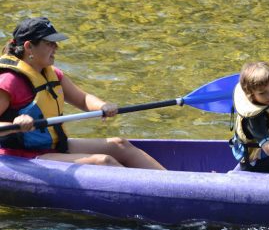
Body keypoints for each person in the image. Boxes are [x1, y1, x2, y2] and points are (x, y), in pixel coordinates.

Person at [0, 17, 165, 170]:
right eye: (50, 43)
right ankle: (156, 196)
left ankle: (170, 183)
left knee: (120, 144)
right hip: (23, 155)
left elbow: (83, 99)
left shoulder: (53, 75)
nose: (56, 48)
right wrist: (15, 125)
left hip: (55, 145)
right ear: (29, 46)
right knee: (103, 161)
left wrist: (102, 106)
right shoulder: (9, 82)